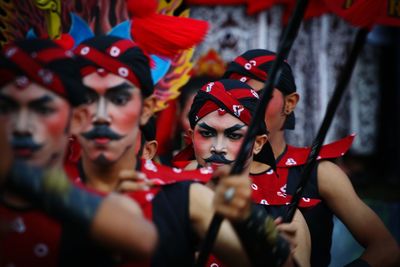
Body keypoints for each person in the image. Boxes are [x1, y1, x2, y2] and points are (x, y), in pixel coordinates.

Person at [73, 35, 296, 266]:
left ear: (146, 109)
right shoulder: (39, 185)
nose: (101, 115)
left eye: (118, 99)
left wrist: (256, 226)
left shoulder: (182, 195)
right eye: (86, 98)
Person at [223, 49, 400, 267]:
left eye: (260, 97)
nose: (243, 109)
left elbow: (386, 248)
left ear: (290, 103)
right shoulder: (212, 170)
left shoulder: (320, 173)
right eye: (234, 99)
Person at [0, 38, 157, 266]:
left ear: (77, 119)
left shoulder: (116, 210)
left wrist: (18, 175)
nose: (22, 127)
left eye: (43, 109)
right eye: (6, 108)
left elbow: (142, 239)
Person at [185, 78, 311, 266]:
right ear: (190, 137)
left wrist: (278, 254)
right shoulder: (167, 197)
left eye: (234, 135)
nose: (218, 148)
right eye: (207, 133)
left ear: (258, 143)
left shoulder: (285, 214)